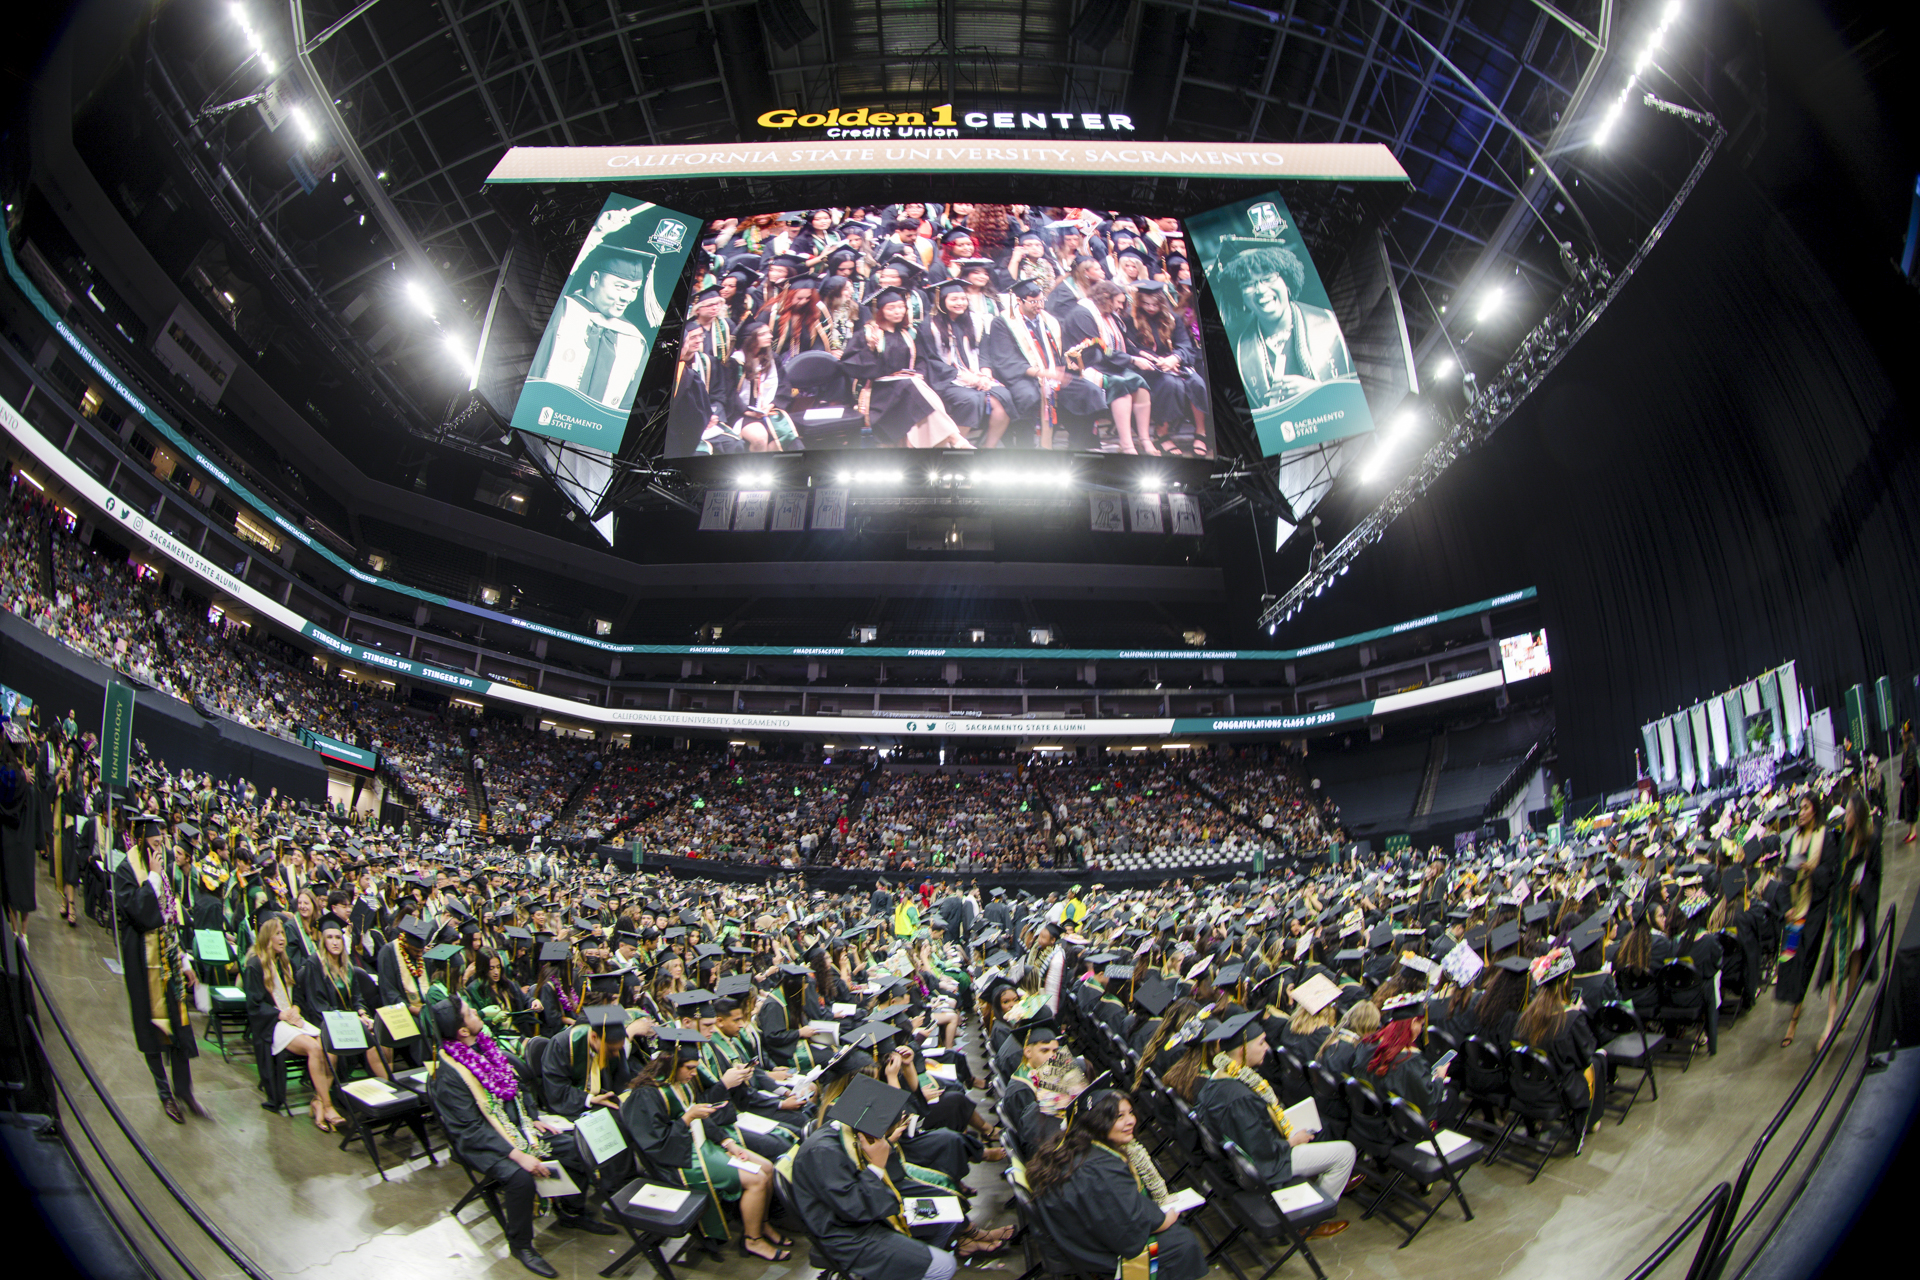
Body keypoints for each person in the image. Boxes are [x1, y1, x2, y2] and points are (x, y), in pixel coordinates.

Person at [428, 997, 616, 1278]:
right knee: (519, 1178)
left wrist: (534, 1118)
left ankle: (572, 1212)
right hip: (483, 1144)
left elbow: (518, 1084)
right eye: (469, 1013)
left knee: (578, 1145)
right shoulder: (450, 1076)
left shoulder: (485, 1047)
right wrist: (518, 1155)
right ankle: (521, 1245)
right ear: (462, 1031)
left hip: (521, 1127)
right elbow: (470, 1129)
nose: (477, 1012)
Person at [620, 1028, 792, 1260]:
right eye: (689, 1068)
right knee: (757, 1179)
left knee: (768, 1168)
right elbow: (656, 1144)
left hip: (701, 1145)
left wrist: (728, 1142)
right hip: (680, 1157)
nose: (694, 1073)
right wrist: (687, 1118)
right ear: (672, 1064)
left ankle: (762, 1224)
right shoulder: (647, 1095)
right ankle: (753, 1240)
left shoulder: (680, 1082)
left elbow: (702, 1117)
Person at [1192, 1012, 1356, 1237]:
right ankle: (1309, 1220)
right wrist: (1292, 1141)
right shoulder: (1241, 1097)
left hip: (1234, 1160)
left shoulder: (1216, 1078)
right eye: (1261, 1043)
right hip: (1262, 1166)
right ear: (1243, 1051)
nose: (1267, 1048)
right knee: (1345, 1152)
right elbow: (1263, 1150)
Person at [1025, 1091, 1208, 1280]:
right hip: (1095, 1253)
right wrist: (1165, 1219)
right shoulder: (1100, 1166)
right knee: (1182, 1243)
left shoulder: (1073, 1145)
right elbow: (1129, 1231)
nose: (1131, 1121)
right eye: (1119, 1116)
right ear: (1097, 1121)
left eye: (1131, 1113)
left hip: (1073, 1239)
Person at [115, 811, 203, 1124]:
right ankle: (165, 1094)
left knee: (179, 1023)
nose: (158, 849)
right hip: (141, 961)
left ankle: (185, 1091)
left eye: (160, 842)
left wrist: (182, 958)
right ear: (140, 841)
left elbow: (167, 917)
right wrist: (151, 877)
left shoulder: (161, 868)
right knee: (151, 1027)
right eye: (152, 843)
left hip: (166, 959)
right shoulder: (126, 869)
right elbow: (139, 912)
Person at [1215, 244, 1355, 410]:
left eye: (1267, 278)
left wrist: (1317, 392)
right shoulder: (1241, 352)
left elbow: (1357, 399)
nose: (1260, 289)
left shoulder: (1329, 323)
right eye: (1248, 284)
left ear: (1287, 283)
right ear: (1241, 299)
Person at [836, 290, 974, 449]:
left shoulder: (910, 333)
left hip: (909, 388)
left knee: (913, 386)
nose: (898, 312)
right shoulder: (867, 334)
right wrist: (870, 349)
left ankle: (935, 445)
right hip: (880, 391)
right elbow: (849, 364)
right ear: (880, 311)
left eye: (901, 307)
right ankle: (954, 438)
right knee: (912, 387)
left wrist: (919, 374)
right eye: (891, 308)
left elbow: (922, 360)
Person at [244, 917, 346, 1132]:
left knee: (330, 1047)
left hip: (291, 1019)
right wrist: (281, 1015)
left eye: (283, 933)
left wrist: (297, 1010)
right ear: (267, 936)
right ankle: (327, 1106)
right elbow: (254, 1005)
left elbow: (297, 996)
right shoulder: (255, 965)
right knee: (314, 1048)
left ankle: (318, 1101)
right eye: (278, 933)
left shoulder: (284, 963)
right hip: (272, 1024)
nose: (283, 938)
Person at [525, 246, 651, 412]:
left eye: (634, 289)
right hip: (542, 416)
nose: (627, 297)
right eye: (620, 286)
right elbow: (533, 369)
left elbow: (624, 407)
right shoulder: (563, 313)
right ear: (594, 279)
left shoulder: (636, 342)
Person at [1815, 791, 1882, 1052]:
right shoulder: (1843, 839)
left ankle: (1847, 1009)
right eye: (1847, 813)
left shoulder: (1871, 839)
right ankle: (1830, 1021)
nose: (1847, 818)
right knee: (1837, 963)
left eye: (1852, 814)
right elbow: (1837, 879)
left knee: (1855, 957)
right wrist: (1833, 911)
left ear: (1860, 815)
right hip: (1843, 910)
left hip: (1860, 910)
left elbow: (1876, 873)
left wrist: (1862, 887)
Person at [1057, 281, 1156, 456]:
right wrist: (1132, 360)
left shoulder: (1108, 314)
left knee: (1139, 383)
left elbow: (1121, 343)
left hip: (1107, 362)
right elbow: (1100, 348)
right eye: (1117, 302)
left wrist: (1140, 354)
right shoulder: (1083, 314)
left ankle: (1145, 439)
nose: (1120, 306)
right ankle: (1127, 445)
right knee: (1119, 384)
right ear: (1105, 298)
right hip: (1087, 364)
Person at [1774, 794, 1836, 1049]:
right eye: (1799, 807)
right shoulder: (1793, 840)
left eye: (1806, 807)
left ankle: (1794, 1022)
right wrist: (1786, 907)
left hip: (1815, 909)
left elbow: (1830, 872)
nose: (1801, 812)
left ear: (1815, 810)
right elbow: (1785, 877)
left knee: (1804, 962)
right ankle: (1792, 1010)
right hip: (1795, 911)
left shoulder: (1826, 836)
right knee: (1788, 960)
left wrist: (1813, 870)